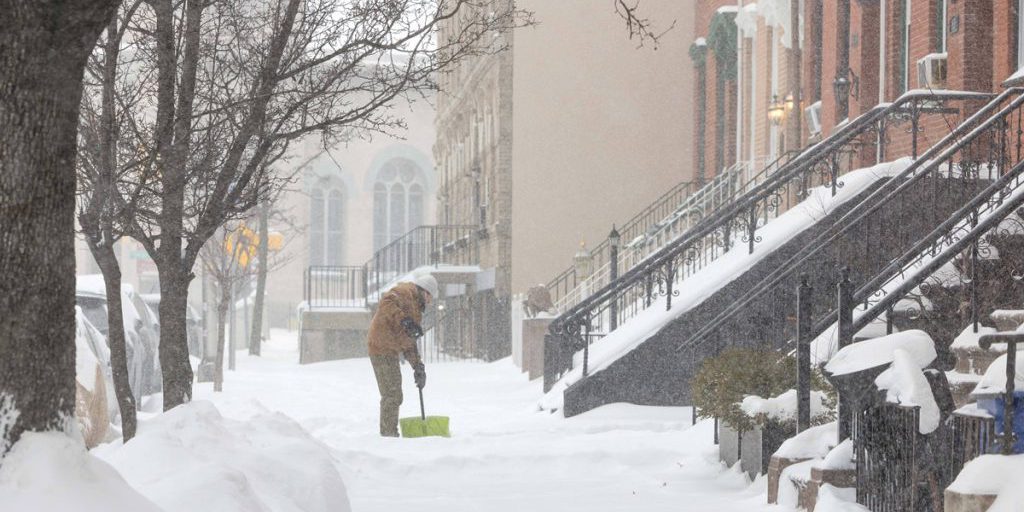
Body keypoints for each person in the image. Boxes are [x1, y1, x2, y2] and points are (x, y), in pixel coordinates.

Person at [367, 273, 439, 437]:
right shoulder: (406, 291)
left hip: (389, 348)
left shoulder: (415, 308)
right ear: (425, 291)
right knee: (392, 394)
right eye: (430, 297)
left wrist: (417, 366)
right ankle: (388, 434)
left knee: (393, 393)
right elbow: (386, 302)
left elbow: (408, 340)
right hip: (381, 346)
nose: (429, 301)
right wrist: (405, 321)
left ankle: (389, 432)